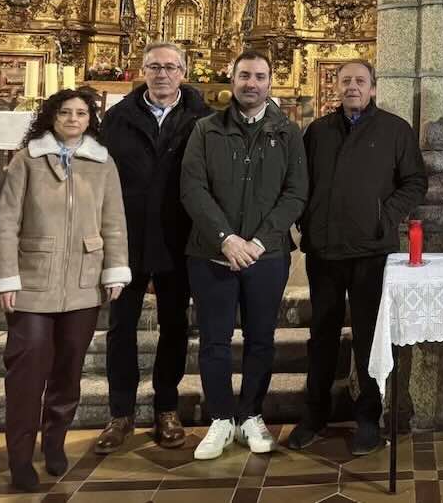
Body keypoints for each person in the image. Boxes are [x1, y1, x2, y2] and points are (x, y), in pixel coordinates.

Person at [0, 88, 130, 492]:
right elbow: (6, 221)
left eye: (81, 113)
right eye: (65, 112)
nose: (72, 119)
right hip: (32, 281)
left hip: (83, 281)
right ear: (51, 117)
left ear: (90, 120)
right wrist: (5, 277)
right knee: (28, 371)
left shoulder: (102, 163)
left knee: (68, 369)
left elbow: (114, 221)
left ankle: (55, 442)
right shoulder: (27, 161)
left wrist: (115, 269)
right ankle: (19, 458)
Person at [286, 60, 427, 455]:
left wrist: (386, 215)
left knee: (370, 339)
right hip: (325, 250)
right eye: (345, 80)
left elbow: (415, 181)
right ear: (337, 86)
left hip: (371, 252)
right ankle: (313, 417)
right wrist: (307, 219)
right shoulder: (317, 132)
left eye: (360, 81)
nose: (352, 87)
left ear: (373, 89)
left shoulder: (395, 130)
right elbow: (300, 182)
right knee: (322, 337)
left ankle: (368, 420)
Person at [180, 51, 307, 460]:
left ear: (271, 82)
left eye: (260, 76)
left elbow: (296, 192)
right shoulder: (206, 129)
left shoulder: (288, 132)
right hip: (212, 254)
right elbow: (193, 189)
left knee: (260, 340)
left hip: (266, 257)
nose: (252, 83)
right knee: (214, 340)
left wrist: (260, 241)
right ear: (231, 80)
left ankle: (251, 414)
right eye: (244, 75)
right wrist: (226, 239)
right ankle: (220, 418)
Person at [94, 42, 212, 455]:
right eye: (154, 67)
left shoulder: (203, 119)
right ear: (142, 70)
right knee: (120, 327)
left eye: (171, 67)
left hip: (177, 238)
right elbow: (98, 180)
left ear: (184, 71)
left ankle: (166, 406)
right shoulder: (117, 118)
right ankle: (120, 412)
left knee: (175, 325)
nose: (162, 74)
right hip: (126, 238)